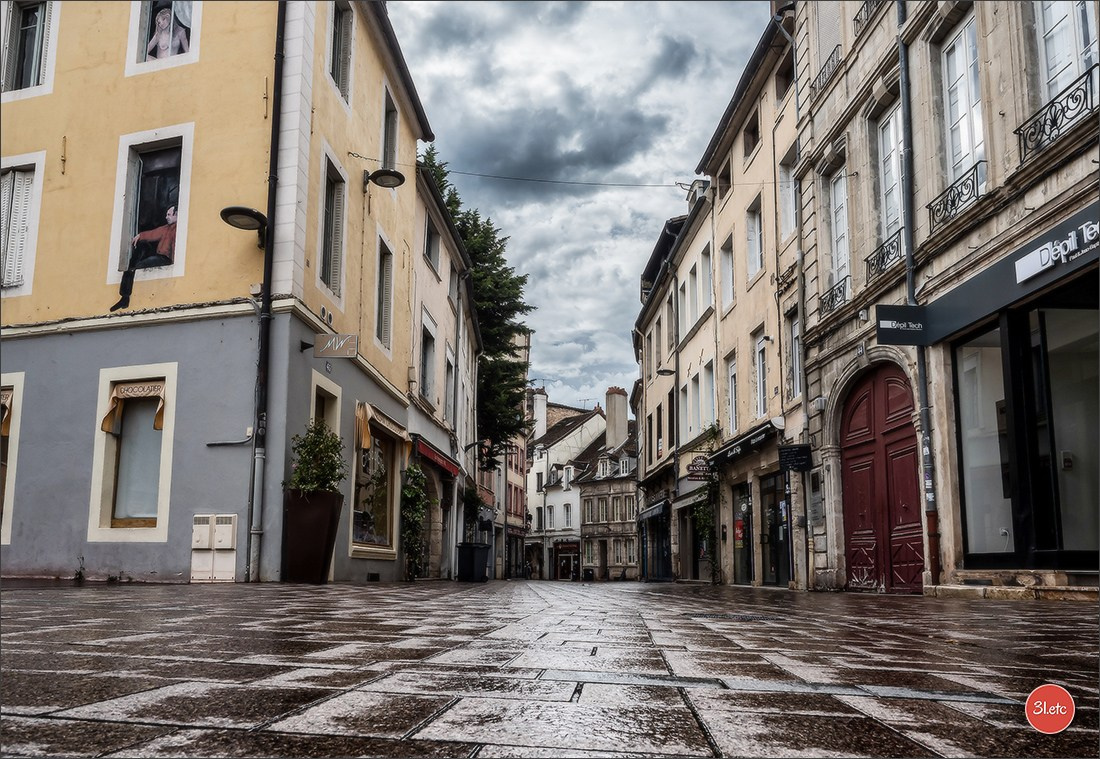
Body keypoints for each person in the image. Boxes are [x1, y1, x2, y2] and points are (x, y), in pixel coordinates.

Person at [110, 206, 177, 312]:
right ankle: (125, 297)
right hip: (160, 257)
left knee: (138, 266)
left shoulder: (177, 229)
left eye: (169, 214)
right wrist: (140, 236)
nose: (166, 217)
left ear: (176, 215)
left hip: (166, 259)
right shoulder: (166, 228)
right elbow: (153, 233)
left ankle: (125, 298)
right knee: (132, 265)